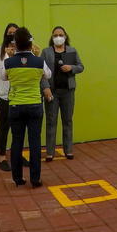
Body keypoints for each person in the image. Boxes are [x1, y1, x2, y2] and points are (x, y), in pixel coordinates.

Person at [0, 27, 53, 187]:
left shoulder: (8, 62)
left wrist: (11, 57)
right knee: (35, 142)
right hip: (35, 105)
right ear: (31, 43)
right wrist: (35, 58)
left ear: (15, 44)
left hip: (15, 106)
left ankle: (18, 178)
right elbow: (48, 74)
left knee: (17, 142)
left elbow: (3, 76)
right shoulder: (39, 61)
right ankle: (35, 179)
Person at [41, 26, 84, 161]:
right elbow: (41, 72)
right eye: (55, 35)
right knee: (51, 121)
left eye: (60, 35)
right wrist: (45, 88)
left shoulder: (72, 50)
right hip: (52, 92)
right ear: (52, 37)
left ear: (65, 37)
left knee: (68, 121)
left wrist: (71, 68)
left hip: (68, 92)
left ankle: (68, 150)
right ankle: (50, 152)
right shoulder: (46, 52)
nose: (58, 37)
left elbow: (81, 67)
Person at [0, 23, 21, 172]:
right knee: (4, 126)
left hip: (20, 95)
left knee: (19, 128)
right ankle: (2, 157)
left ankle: (18, 155)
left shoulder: (23, 51)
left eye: (15, 33)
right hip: (4, 96)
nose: (12, 35)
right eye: (9, 32)